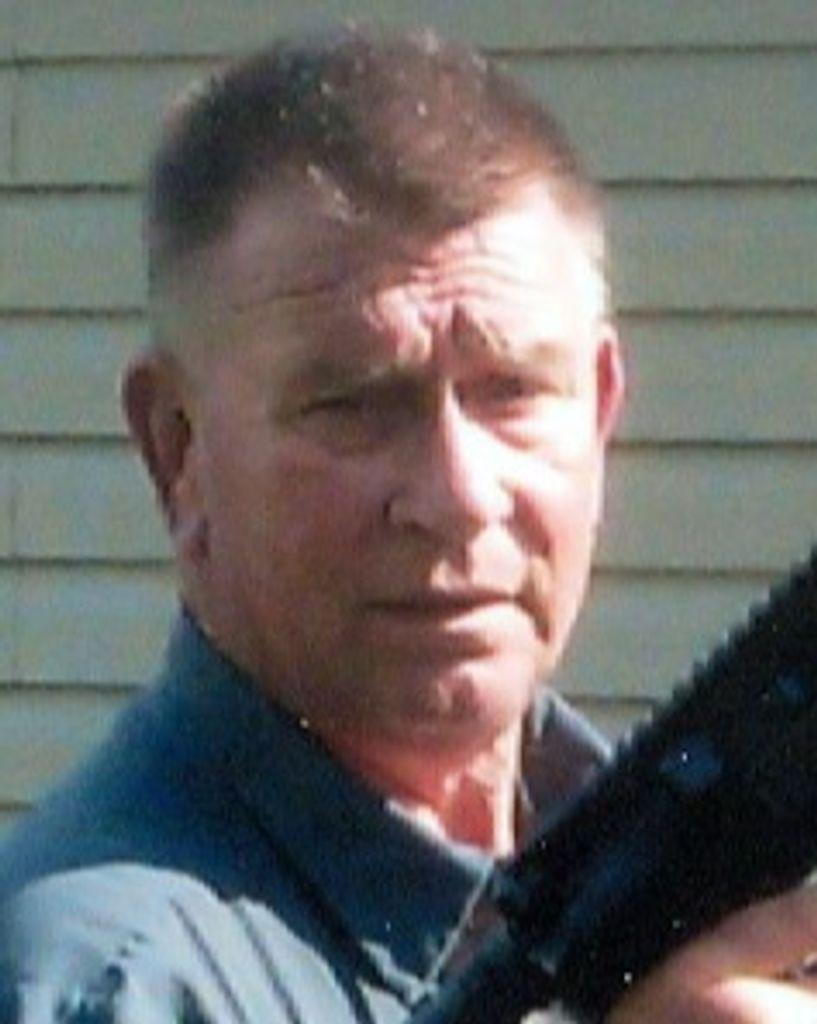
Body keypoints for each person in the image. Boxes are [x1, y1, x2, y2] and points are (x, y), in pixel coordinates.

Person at [1, 25, 816, 1024]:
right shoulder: (105, 985)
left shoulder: (650, 870)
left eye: (512, 391)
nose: (457, 496)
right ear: (177, 448)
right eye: (351, 405)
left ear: (600, 406)